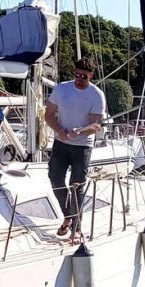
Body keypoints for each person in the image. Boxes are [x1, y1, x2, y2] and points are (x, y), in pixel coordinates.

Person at [44, 56, 107, 237]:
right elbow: (48, 115)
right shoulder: (62, 89)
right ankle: (69, 216)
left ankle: (76, 229)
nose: (79, 79)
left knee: (76, 185)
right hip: (61, 142)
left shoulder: (96, 95)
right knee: (55, 179)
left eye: (83, 76)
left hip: (82, 146)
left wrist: (79, 132)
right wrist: (59, 130)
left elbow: (95, 125)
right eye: (77, 75)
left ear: (91, 76)